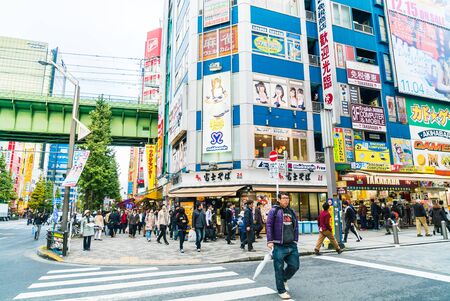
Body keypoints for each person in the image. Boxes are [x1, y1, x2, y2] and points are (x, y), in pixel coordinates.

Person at [266, 192, 299, 300]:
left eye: (287, 198)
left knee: (295, 266)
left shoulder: (292, 211)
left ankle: (284, 279)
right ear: (279, 199)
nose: (286, 200)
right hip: (279, 244)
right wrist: (270, 241)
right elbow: (269, 225)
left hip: (291, 244)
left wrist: (295, 239)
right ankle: (281, 290)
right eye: (284, 198)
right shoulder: (274, 211)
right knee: (279, 268)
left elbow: (296, 226)